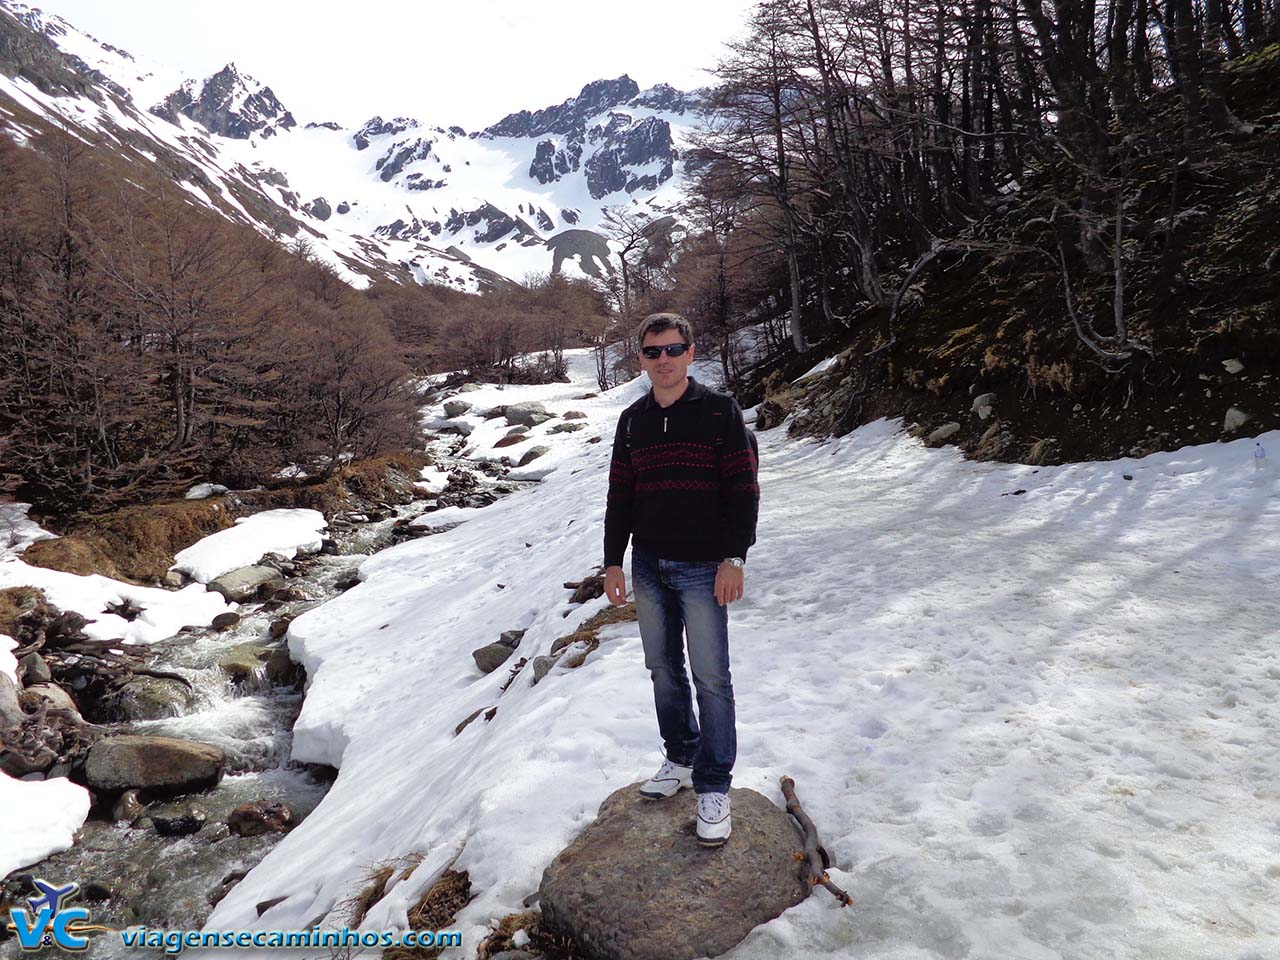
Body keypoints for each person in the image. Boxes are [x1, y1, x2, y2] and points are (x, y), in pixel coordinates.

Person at [602, 312, 760, 848]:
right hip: (648, 564)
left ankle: (714, 785)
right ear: (641, 358)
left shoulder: (719, 411)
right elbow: (620, 494)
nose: (663, 360)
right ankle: (681, 756)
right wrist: (613, 561)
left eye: (673, 349)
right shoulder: (632, 420)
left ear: (691, 353)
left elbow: (743, 489)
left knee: (712, 678)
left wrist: (733, 558)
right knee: (663, 669)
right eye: (652, 352)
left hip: (702, 566)